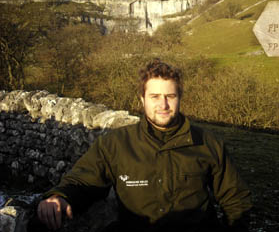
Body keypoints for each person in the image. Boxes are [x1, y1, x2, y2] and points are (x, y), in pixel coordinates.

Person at [36, 59, 252, 231]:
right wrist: (59, 197)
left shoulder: (208, 143)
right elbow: (84, 180)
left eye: (170, 96)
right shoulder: (116, 144)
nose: (163, 104)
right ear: (142, 99)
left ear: (180, 98)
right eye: (155, 96)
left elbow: (236, 200)